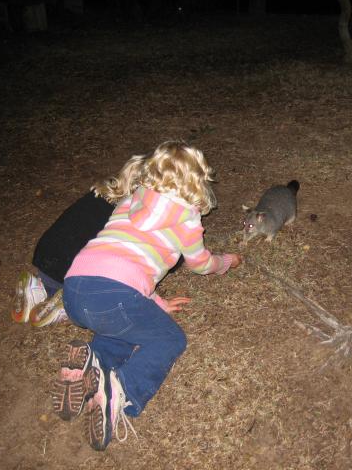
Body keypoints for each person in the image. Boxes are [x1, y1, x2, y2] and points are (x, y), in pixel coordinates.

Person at [50, 140, 242, 451]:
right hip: (115, 294)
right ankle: (119, 389)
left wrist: (158, 302)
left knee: (121, 326)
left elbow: (123, 261)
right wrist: (225, 263)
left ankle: (90, 364)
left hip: (75, 289)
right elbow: (200, 263)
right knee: (170, 340)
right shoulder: (187, 216)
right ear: (197, 182)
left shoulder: (130, 202)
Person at [11, 190, 116, 326]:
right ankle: (67, 302)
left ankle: (37, 287)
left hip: (46, 252)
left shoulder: (106, 189)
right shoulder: (138, 210)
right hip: (68, 270)